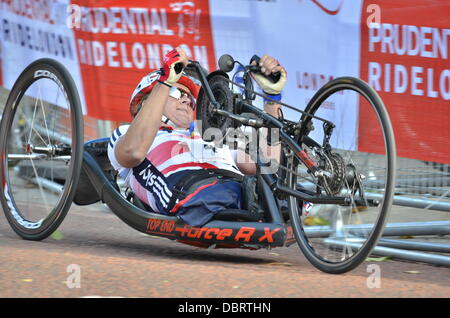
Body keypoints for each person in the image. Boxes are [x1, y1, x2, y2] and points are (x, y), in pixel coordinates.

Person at [108, 47, 287, 227]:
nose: (187, 100)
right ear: (146, 101)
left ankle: (273, 202)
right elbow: (133, 152)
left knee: (281, 190)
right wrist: (165, 81)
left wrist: (271, 99)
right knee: (244, 193)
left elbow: (268, 165)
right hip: (195, 193)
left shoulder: (208, 137)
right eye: (176, 93)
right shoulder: (125, 134)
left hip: (236, 189)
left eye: (189, 97)